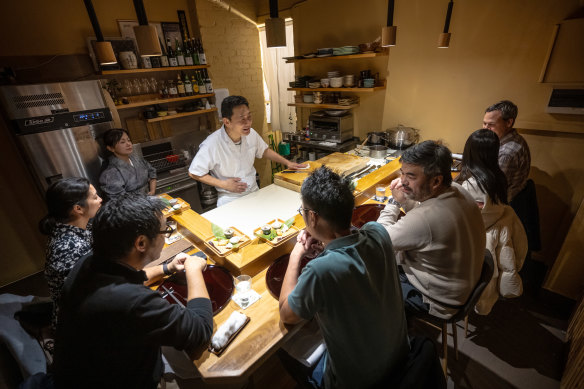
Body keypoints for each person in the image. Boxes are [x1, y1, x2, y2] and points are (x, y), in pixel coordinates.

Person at [53, 194, 213, 389]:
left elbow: (130, 278)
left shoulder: (89, 261)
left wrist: (166, 268)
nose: (165, 236)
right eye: (164, 230)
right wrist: (194, 269)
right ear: (141, 243)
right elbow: (200, 329)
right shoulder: (132, 302)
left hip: (82, 367)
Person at [279, 167, 409, 389]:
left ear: (312, 217)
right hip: (401, 358)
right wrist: (328, 241)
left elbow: (286, 314)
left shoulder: (320, 270)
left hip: (358, 381)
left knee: (283, 352)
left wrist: (296, 253)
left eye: (303, 211)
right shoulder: (378, 232)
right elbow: (354, 237)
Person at [377, 140, 486, 319]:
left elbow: (377, 239)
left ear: (436, 180)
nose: (403, 181)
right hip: (459, 286)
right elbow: (424, 221)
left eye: (411, 176)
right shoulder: (459, 190)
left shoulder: (425, 218)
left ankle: (390, 337)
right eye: (402, 173)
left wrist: (394, 202)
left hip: (438, 301)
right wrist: (407, 197)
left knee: (367, 278)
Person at [456, 129, 527, 314]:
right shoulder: (498, 178)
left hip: (469, 245)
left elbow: (458, 220)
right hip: (487, 234)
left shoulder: (472, 185)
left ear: (470, 152)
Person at [188, 95, 306, 206]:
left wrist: (287, 163)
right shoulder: (212, 143)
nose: (248, 122)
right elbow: (194, 172)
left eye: (249, 117)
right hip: (230, 199)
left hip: (254, 191)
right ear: (227, 122)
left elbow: (264, 150)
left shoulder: (250, 133)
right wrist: (223, 184)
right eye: (242, 119)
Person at [39, 177, 102, 329]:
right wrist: (165, 268)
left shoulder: (72, 227)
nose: (100, 199)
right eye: (94, 197)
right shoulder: (69, 247)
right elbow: (101, 292)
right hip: (78, 324)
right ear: (78, 209)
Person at [482, 100, 530, 201]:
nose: (486, 129)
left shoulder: (507, 153)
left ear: (508, 122)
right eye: (484, 123)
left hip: (500, 202)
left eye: (491, 124)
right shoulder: (512, 137)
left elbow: (494, 190)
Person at [99, 128, 157, 199]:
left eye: (129, 140)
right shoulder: (110, 173)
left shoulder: (137, 159)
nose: (128, 144)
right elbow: (119, 200)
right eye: (122, 142)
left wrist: (152, 191)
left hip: (148, 201)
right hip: (131, 208)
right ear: (111, 148)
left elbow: (152, 172)